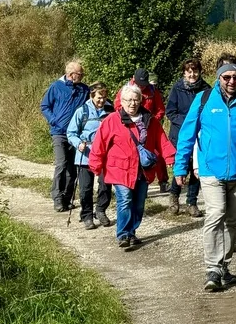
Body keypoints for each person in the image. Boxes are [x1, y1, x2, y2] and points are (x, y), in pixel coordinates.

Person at [174, 53, 236, 292]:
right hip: (210, 170)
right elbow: (187, 134)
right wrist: (180, 165)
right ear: (218, 76)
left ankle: (223, 266)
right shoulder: (203, 100)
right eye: (226, 76)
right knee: (216, 214)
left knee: (233, 221)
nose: (231, 81)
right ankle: (212, 268)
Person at [89, 83, 178, 248]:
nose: (132, 103)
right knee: (125, 200)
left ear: (141, 101)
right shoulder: (111, 120)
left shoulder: (150, 120)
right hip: (120, 169)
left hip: (143, 169)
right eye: (128, 100)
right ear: (121, 102)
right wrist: (95, 164)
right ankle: (123, 234)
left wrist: (171, 158)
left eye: (136, 100)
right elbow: (99, 144)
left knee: (138, 203)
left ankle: (132, 231)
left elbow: (161, 141)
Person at [40, 60, 90, 213]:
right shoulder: (56, 87)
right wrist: (54, 120)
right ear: (70, 74)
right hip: (59, 133)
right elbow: (44, 106)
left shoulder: (84, 89)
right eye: (79, 74)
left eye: (82, 74)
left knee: (72, 168)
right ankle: (57, 198)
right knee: (61, 164)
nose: (81, 76)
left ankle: (67, 198)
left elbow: (92, 103)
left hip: (76, 135)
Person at [66, 82, 115, 230]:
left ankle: (100, 210)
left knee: (105, 185)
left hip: (105, 153)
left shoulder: (111, 110)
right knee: (86, 188)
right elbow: (71, 133)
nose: (102, 100)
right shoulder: (82, 111)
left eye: (105, 97)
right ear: (92, 95)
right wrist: (79, 143)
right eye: (99, 97)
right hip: (86, 154)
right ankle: (87, 215)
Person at [115, 68, 169, 192]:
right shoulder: (126, 90)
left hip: (149, 127)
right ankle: (132, 183)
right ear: (134, 79)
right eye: (139, 84)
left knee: (157, 154)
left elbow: (160, 109)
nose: (142, 87)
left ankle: (163, 181)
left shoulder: (152, 90)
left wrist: (152, 121)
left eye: (143, 84)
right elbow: (118, 107)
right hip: (131, 128)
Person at [167, 58, 208, 217]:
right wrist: (188, 123)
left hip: (199, 134)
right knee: (181, 166)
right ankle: (174, 198)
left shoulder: (206, 89)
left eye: (195, 71)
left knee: (196, 168)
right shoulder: (177, 88)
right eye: (189, 71)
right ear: (184, 72)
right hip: (180, 134)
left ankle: (192, 202)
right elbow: (170, 112)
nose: (192, 75)